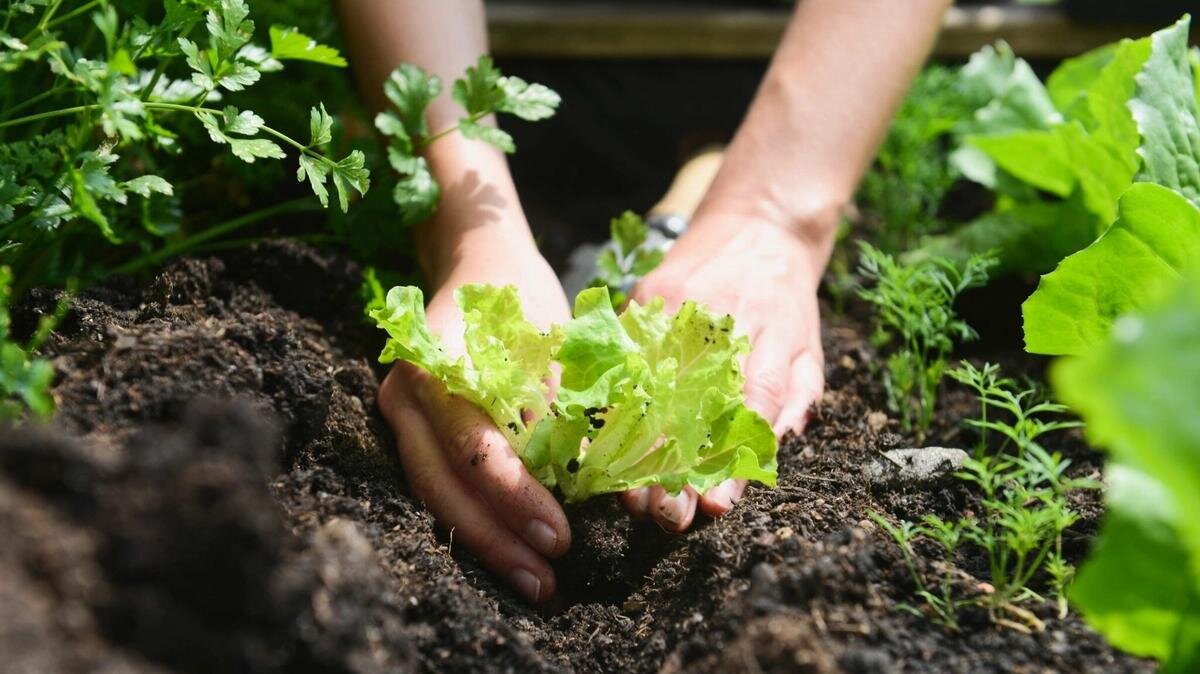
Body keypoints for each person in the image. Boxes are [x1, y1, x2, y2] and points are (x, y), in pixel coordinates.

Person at [336, 0, 952, 603]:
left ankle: (707, 173)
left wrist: (776, 214)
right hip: (523, 66)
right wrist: (469, 230)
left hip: (823, 68)